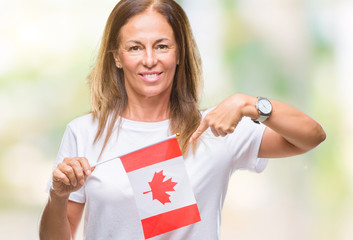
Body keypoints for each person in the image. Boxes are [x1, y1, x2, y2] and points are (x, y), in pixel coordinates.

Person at [39, 0, 326, 239]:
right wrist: (58, 195)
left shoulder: (215, 128)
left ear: (179, 54)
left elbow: (311, 136)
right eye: (135, 47)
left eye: (162, 46)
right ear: (117, 57)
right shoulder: (84, 132)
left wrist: (249, 104)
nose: (149, 59)